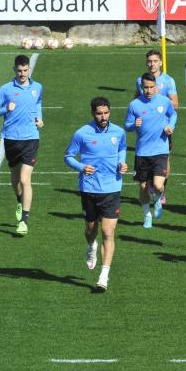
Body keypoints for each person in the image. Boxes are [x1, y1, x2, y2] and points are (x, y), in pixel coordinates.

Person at [65, 97, 127, 291]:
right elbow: (68, 156)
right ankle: (91, 246)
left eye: (106, 113)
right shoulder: (82, 134)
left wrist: (121, 163)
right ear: (93, 113)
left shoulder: (119, 132)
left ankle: (104, 276)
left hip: (112, 188)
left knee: (108, 232)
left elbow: (122, 148)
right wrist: (82, 167)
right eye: (99, 113)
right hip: (89, 189)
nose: (103, 117)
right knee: (91, 229)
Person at [0, 54, 44, 236]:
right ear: (14, 70)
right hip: (11, 138)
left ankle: (24, 221)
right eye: (19, 71)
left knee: (25, 179)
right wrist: (5, 109)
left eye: (25, 70)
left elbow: (39, 102)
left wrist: (39, 118)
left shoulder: (37, 87)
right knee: (15, 177)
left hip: (31, 138)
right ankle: (19, 201)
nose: (22, 73)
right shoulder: (5, 89)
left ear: (29, 69)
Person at [125, 72, 177, 229]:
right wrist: (135, 124)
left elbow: (173, 115)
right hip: (142, 152)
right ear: (141, 87)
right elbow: (126, 126)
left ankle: (158, 196)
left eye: (151, 87)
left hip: (160, 149)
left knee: (158, 185)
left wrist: (171, 127)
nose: (148, 90)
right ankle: (147, 215)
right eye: (145, 87)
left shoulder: (164, 101)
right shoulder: (134, 105)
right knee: (142, 187)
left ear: (156, 87)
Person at [135, 50, 179, 205]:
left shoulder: (168, 81)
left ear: (160, 62)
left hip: (163, 129)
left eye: (155, 61)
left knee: (165, 158)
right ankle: (151, 187)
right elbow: (136, 98)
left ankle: (161, 189)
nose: (152, 64)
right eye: (149, 61)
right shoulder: (141, 80)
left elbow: (176, 104)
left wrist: (160, 97)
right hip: (146, 129)